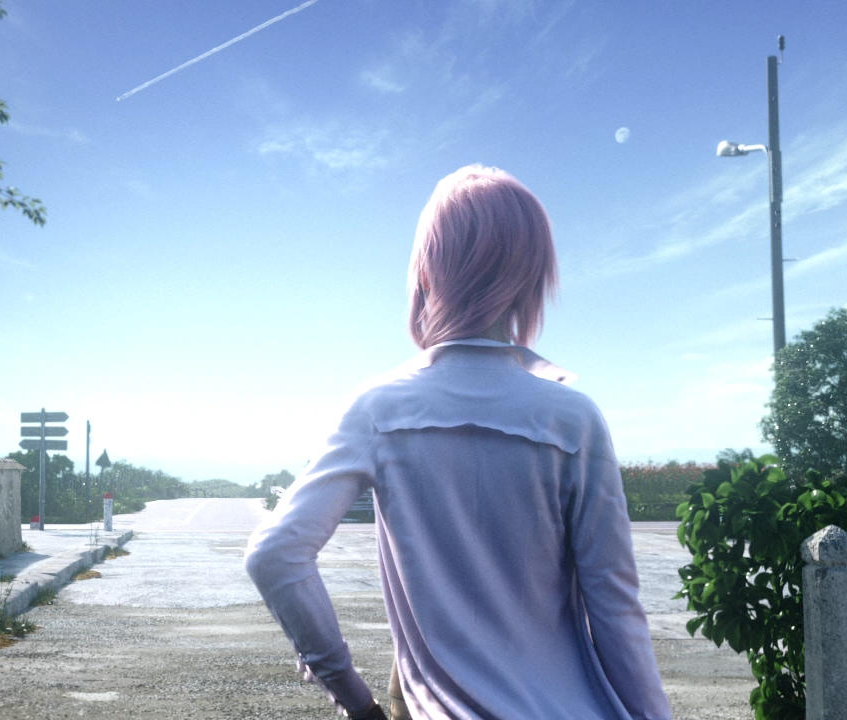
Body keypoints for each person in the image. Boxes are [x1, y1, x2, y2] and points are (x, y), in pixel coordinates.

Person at [244, 165, 671, 719]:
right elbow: (616, 610)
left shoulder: (379, 409)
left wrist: (354, 698)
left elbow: (276, 554)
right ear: (531, 276)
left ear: (426, 274)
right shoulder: (574, 419)